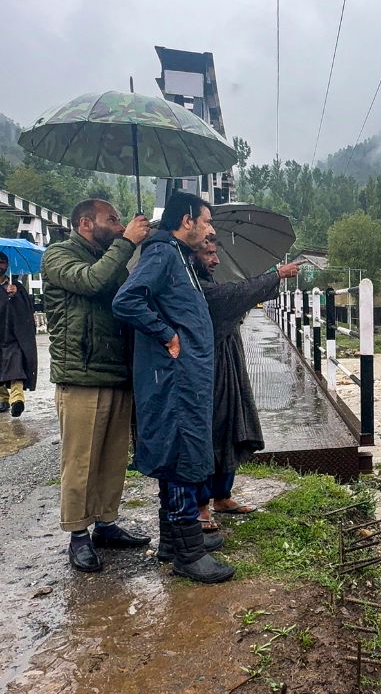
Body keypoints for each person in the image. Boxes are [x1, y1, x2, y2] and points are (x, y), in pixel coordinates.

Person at [112, 192, 234, 584]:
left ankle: (172, 541)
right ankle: (188, 553)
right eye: (207, 220)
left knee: (178, 454)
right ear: (186, 221)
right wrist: (167, 334)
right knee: (181, 456)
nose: (211, 228)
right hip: (174, 381)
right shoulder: (163, 255)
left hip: (186, 379)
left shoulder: (180, 257)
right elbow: (126, 300)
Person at [41, 200, 152, 572]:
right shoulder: (58, 255)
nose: (119, 225)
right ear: (86, 223)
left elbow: (125, 295)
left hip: (117, 373)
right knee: (81, 461)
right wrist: (127, 243)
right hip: (81, 375)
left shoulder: (111, 257)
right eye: (112, 219)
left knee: (112, 457)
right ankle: (77, 534)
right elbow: (91, 281)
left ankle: (106, 523)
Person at [190, 236, 300, 531]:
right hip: (207, 367)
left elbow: (234, 297)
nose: (215, 260)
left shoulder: (206, 281)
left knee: (230, 423)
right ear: (192, 254)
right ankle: (201, 505)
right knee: (210, 430)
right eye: (208, 254)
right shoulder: (191, 285)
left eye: (215, 253)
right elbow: (230, 297)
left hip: (229, 361)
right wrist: (277, 275)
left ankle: (222, 496)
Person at [0, 253, 37, 418]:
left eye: (3, 263)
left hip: (13, 336)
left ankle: (17, 400)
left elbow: (28, 310)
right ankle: (3, 399)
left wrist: (15, 295)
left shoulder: (16, 287)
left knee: (16, 367)